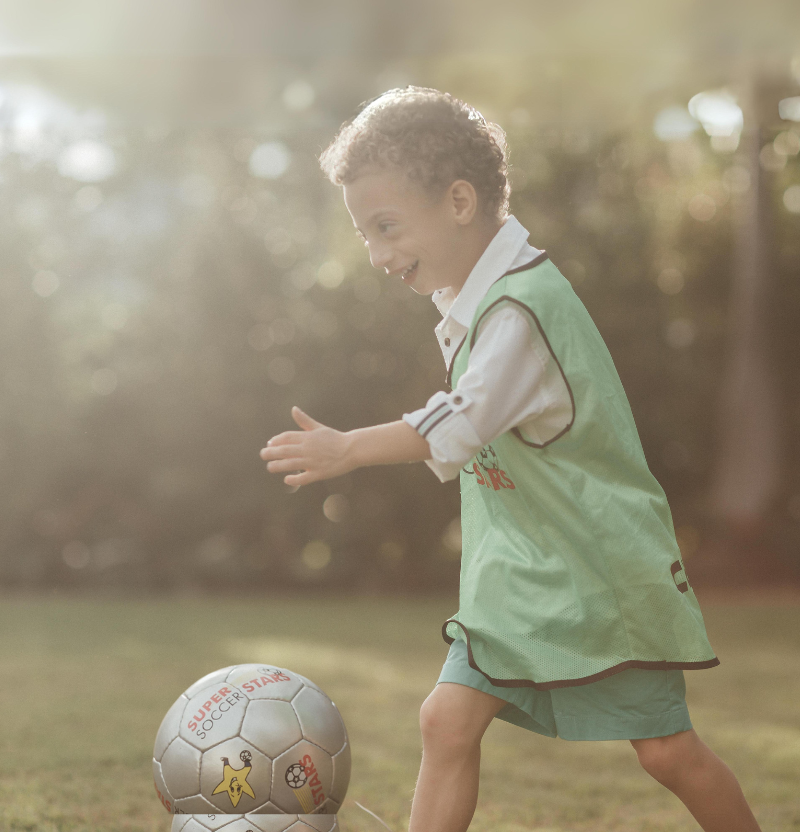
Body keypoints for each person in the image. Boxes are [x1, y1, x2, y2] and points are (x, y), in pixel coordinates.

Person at [260, 87, 762, 832]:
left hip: (602, 572)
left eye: (387, 227)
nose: (377, 254)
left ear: (460, 201)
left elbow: (453, 427)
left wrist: (348, 448)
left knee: (666, 753)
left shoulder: (522, 311)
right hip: (520, 579)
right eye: (366, 233)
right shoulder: (478, 303)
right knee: (446, 721)